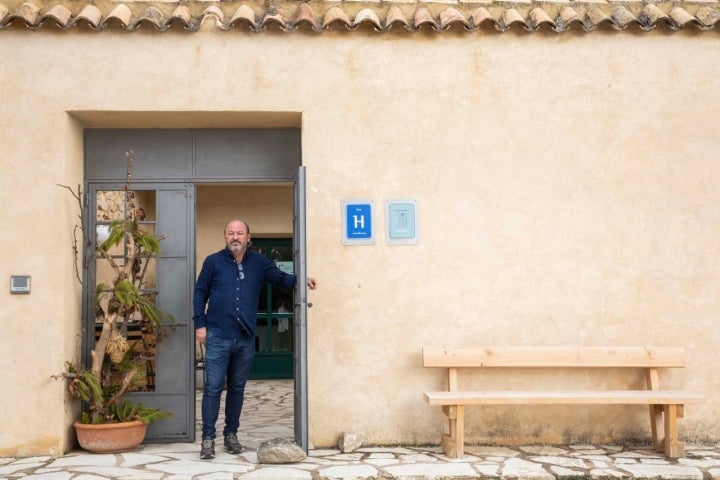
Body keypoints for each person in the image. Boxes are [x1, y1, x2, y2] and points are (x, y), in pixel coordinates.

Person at [193, 219, 317, 460]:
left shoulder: (259, 262)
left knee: (237, 388)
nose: (235, 237)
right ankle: (208, 439)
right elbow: (200, 293)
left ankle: (231, 435)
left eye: (240, 233)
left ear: (248, 237)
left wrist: (302, 280)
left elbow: (281, 278)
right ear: (225, 236)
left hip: (245, 337)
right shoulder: (213, 262)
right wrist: (200, 324)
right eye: (231, 233)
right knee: (213, 388)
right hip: (217, 334)